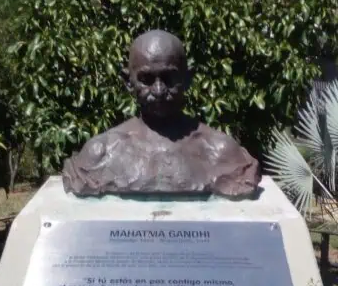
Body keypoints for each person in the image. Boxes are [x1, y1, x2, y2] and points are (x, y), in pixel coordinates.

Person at [62, 30, 260, 198]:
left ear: (187, 79)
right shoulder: (101, 153)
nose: (158, 91)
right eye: (146, 79)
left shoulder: (221, 152)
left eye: (169, 78)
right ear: (128, 82)